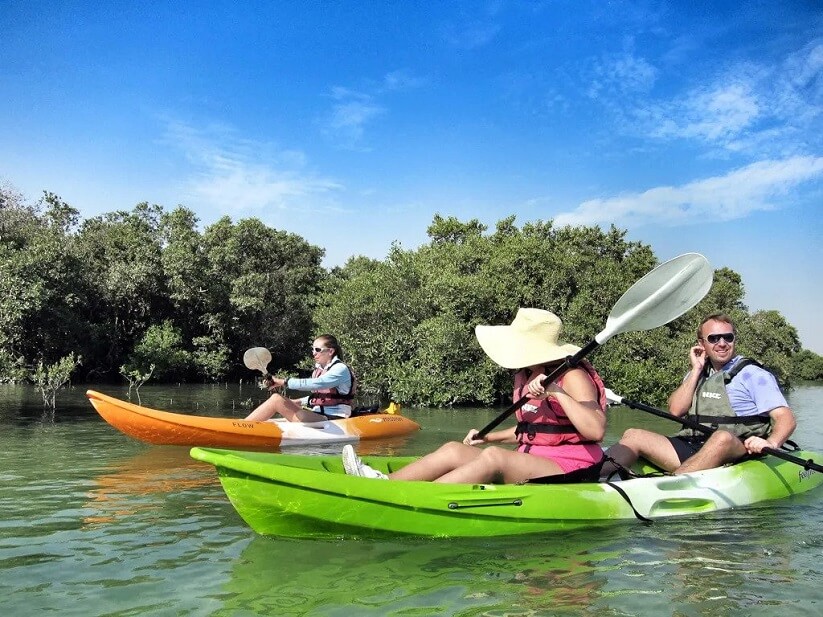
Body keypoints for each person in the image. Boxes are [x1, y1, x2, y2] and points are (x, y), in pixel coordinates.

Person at [342, 308, 608, 483]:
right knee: (453, 450)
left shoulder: (571, 377)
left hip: (574, 466)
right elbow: (534, 429)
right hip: (535, 456)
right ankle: (385, 484)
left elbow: (595, 430)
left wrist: (557, 392)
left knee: (494, 458)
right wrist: (487, 436)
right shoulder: (527, 373)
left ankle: (413, 499)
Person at [604, 313, 797, 475]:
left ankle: (674, 484)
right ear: (701, 343)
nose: (722, 343)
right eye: (713, 338)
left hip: (737, 448)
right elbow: (676, 410)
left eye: (727, 337)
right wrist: (696, 369)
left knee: (722, 437)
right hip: (693, 444)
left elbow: (786, 418)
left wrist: (771, 442)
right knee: (633, 434)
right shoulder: (696, 373)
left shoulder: (753, 374)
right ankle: (591, 476)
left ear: (734, 339)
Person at [244, 334, 356, 423]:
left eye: (317, 350)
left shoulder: (340, 369)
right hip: (319, 415)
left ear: (330, 351)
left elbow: (318, 384)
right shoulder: (319, 370)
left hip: (334, 419)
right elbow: (319, 396)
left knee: (276, 399)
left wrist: (283, 382)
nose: (313, 353)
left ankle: (244, 427)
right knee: (279, 400)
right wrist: (296, 402)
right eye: (312, 349)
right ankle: (244, 425)